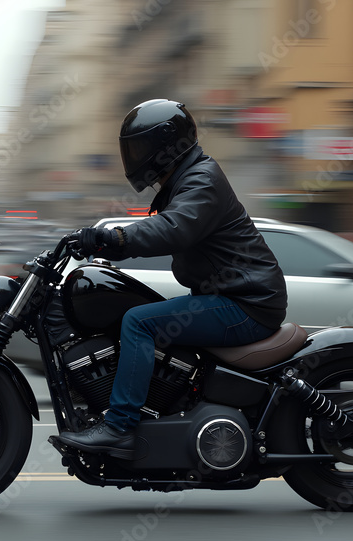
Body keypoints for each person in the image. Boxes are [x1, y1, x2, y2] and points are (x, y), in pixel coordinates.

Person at [58, 99, 288, 458]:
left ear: (163, 145)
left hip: (247, 303)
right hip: (231, 297)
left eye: (140, 148)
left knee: (139, 322)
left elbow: (173, 229)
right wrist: (105, 245)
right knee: (145, 313)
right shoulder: (186, 179)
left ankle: (119, 427)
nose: (135, 157)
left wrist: (113, 238)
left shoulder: (201, 180)